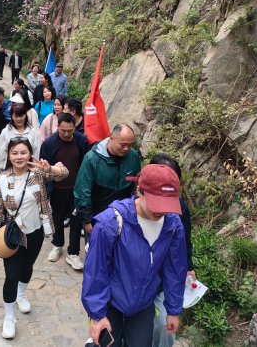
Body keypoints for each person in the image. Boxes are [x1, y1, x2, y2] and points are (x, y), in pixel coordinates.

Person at [82, 164, 187, 346]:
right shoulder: (110, 222)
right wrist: (97, 315)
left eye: (167, 204)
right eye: (156, 203)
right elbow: (96, 271)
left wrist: (173, 310)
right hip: (110, 302)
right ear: (140, 191)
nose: (161, 211)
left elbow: (175, 269)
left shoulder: (173, 225)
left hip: (144, 303)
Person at [0, 138, 69, 339]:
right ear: (9, 156)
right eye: (14, 153)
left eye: (23, 152)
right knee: (11, 275)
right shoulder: (1, 180)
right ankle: (9, 316)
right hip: (13, 235)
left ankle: (22, 294)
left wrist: (50, 168)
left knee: (28, 266)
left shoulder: (38, 174)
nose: (19, 157)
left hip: (36, 231)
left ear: (30, 154)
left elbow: (64, 173)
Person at [149, 154, 195, 347]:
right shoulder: (133, 208)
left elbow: (185, 241)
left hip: (166, 274)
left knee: (164, 324)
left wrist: (189, 266)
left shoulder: (180, 207)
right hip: (140, 278)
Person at [40, 113, 90, 270]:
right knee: (57, 218)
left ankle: (73, 252)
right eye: (63, 131)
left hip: (76, 190)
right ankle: (57, 244)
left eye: (70, 130)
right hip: (57, 189)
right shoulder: (49, 143)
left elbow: (86, 164)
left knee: (76, 220)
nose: (67, 134)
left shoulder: (81, 140)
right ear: (58, 127)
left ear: (75, 128)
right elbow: (44, 171)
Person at [74, 124, 141, 237]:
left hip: (125, 215)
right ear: (111, 138)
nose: (126, 148)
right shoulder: (92, 159)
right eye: (123, 144)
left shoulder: (133, 156)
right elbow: (82, 191)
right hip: (98, 215)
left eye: (130, 145)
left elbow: (135, 183)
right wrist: (87, 220)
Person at [0, 102, 41, 180]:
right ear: (12, 116)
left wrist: (35, 167)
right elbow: (1, 152)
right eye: (16, 116)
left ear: (26, 115)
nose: (19, 119)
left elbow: (36, 151)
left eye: (21, 116)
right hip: (9, 170)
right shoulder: (6, 132)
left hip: (28, 170)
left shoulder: (33, 132)